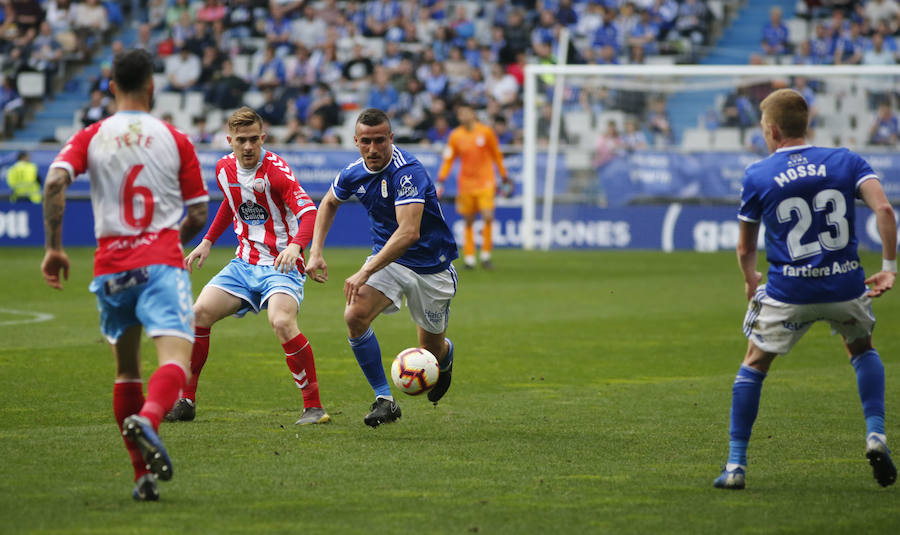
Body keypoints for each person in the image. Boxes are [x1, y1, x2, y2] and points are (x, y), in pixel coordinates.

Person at [40, 48, 210, 501]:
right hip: (159, 263)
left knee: (126, 371)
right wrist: (171, 235)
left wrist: (54, 248)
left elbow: (55, 183)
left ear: (111, 87)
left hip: (111, 267)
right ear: (153, 88)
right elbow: (197, 211)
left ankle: (142, 479)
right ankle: (150, 420)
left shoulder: (91, 135)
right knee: (175, 358)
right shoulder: (174, 138)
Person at [714, 88, 898, 490]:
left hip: (788, 293)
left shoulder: (758, 174)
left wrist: (750, 279)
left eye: (764, 127)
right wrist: (887, 268)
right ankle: (876, 434)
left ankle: (735, 466)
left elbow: (746, 246)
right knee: (862, 348)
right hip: (846, 285)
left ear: (773, 129)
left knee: (754, 365)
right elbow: (884, 209)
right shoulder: (846, 160)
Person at [166, 106, 330, 427]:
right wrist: (208, 241)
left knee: (281, 322)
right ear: (230, 140)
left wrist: (297, 245)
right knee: (197, 314)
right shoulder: (223, 169)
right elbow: (231, 201)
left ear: (263, 138)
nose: (248, 147)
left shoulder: (277, 172)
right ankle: (186, 400)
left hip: (281, 264)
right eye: (241, 140)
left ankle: (313, 407)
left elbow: (309, 211)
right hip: (244, 264)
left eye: (254, 139)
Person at [305, 108, 458, 427]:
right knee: (354, 315)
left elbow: (408, 232)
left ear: (391, 138)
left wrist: (364, 270)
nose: (373, 149)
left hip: (432, 266)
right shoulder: (352, 173)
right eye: (366, 142)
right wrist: (316, 251)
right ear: (356, 141)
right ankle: (384, 400)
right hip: (388, 261)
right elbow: (329, 202)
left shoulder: (408, 172)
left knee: (430, 349)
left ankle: (444, 359)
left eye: (379, 141)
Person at [436, 101, 511, 270]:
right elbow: (448, 159)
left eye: (465, 113)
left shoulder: (486, 132)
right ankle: (470, 258)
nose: (462, 116)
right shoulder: (456, 135)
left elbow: (496, 155)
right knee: (468, 221)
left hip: (485, 181)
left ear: (473, 114)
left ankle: (485, 255)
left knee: (487, 216)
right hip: (466, 184)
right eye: (460, 114)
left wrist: (504, 175)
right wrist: (441, 178)